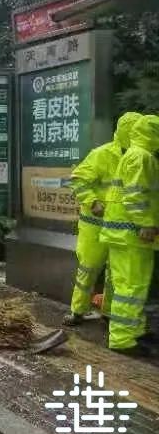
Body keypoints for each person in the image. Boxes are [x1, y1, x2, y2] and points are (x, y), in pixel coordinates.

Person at [64, 112, 142, 326]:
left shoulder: (139, 157)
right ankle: (77, 311)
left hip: (120, 226)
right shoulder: (102, 154)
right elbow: (78, 179)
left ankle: (108, 313)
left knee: (114, 273)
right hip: (94, 225)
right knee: (89, 267)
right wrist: (92, 202)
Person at [98, 114, 159, 356]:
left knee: (132, 286)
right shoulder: (141, 157)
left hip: (125, 233)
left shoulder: (135, 154)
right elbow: (134, 195)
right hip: (132, 234)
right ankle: (123, 340)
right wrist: (145, 223)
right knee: (130, 288)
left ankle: (132, 333)